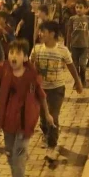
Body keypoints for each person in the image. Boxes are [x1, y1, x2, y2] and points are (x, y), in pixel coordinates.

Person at [0, 39, 54, 177]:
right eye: (11, 53)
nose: (13, 56)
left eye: (18, 53)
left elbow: (41, 96)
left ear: (25, 57)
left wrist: (47, 114)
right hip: (7, 123)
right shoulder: (4, 69)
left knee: (17, 159)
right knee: (11, 155)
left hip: (24, 126)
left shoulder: (32, 77)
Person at [31, 21, 82, 161]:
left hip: (57, 89)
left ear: (52, 34)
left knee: (53, 116)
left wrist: (77, 82)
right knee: (42, 118)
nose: (40, 34)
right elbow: (31, 69)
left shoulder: (63, 50)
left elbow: (71, 67)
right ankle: (47, 134)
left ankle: (52, 145)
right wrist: (32, 64)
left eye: (43, 31)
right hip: (40, 89)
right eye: (40, 31)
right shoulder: (36, 49)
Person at [66, 1, 89, 85]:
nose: (78, 9)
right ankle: (77, 82)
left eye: (80, 7)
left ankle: (83, 80)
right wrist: (67, 45)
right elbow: (69, 32)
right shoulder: (72, 19)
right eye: (77, 7)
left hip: (84, 46)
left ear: (85, 8)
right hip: (74, 46)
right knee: (75, 66)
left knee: (83, 65)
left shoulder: (88, 19)